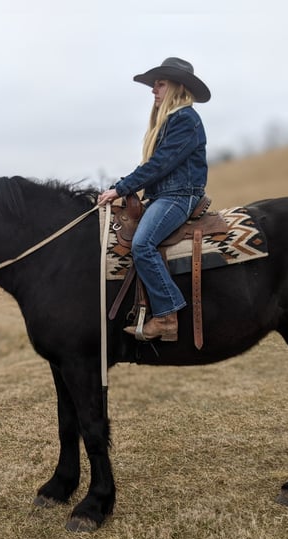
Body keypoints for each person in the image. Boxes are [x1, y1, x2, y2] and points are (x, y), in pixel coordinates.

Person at [98, 57, 210, 342]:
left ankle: (167, 314)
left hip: (179, 196)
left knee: (142, 244)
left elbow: (161, 163)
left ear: (177, 87)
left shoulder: (186, 119)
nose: (153, 90)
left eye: (160, 84)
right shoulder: (170, 121)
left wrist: (121, 188)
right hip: (162, 195)